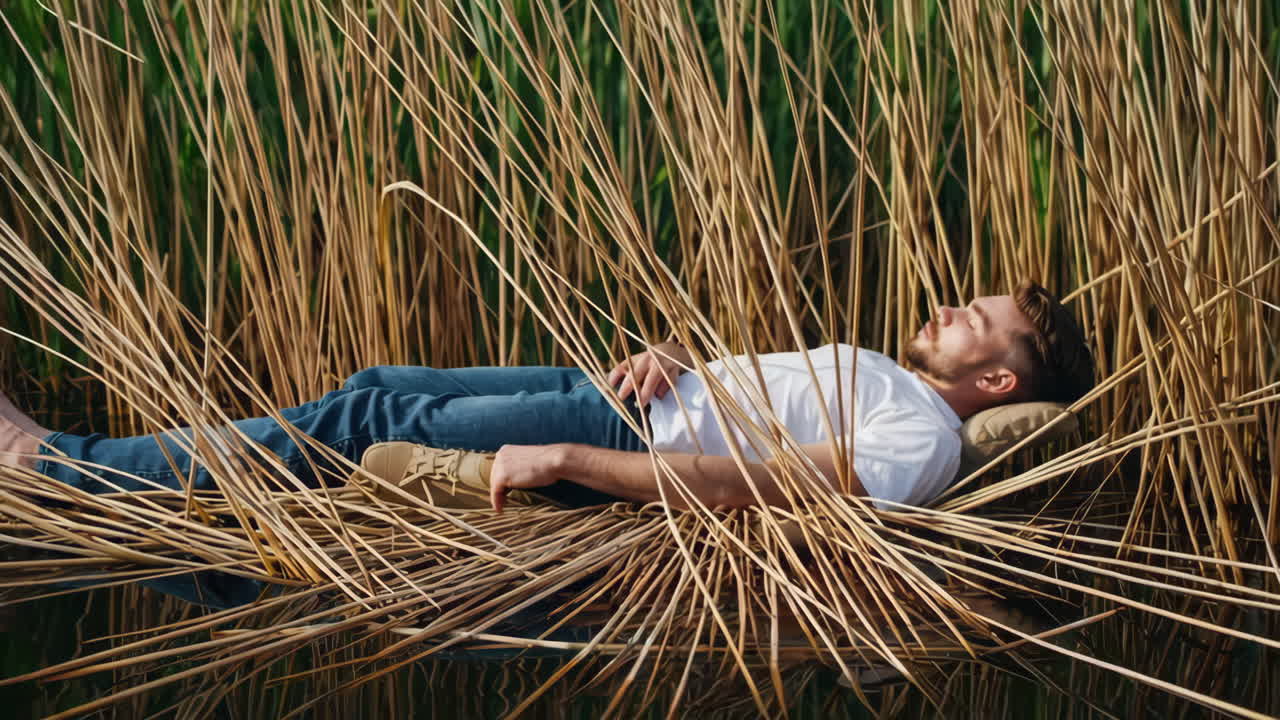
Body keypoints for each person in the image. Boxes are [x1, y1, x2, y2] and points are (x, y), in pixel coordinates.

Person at [0, 280, 1093, 515]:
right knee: (374, 386)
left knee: (365, 427)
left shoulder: (919, 437)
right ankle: (113, 466)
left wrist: (571, 464)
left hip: (609, 435)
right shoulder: (900, 384)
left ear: (995, 382)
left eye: (973, 319)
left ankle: (52, 466)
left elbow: (746, 482)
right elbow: (758, 406)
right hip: (631, 393)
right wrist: (673, 354)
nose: (950, 304)